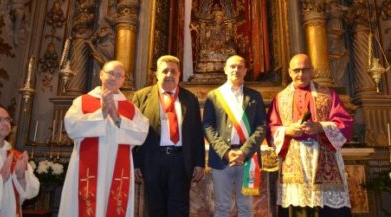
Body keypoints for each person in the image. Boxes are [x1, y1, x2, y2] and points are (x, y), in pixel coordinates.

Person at [58, 60, 149, 217]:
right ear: (101, 74)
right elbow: (72, 127)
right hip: (86, 166)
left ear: (123, 80)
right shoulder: (82, 101)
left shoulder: (130, 107)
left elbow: (141, 133)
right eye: (111, 73)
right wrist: (101, 113)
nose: (114, 78)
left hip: (119, 166)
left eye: (119, 75)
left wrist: (116, 117)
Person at [267, 53, 353, 217]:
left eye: (305, 70)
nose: (300, 74)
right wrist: (287, 131)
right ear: (289, 72)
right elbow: (271, 128)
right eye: (296, 70)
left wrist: (320, 127)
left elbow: (345, 124)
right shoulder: (280, 98)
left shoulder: (328, 95)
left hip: (324, 159)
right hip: (294, 161)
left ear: (312, 71)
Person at [132, 55, 205, 217]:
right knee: (155, 208)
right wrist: (135, 163)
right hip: (152, 160)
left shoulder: (190, 98)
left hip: (180, 161)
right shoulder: (141, 96)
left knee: (179, 209)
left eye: (173, 71)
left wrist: (199, 162)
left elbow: (196, 132)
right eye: (165, 71)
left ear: (179, 74)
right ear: (157, 74)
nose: (169, 74)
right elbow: (134, 132)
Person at [203, 55, 266, 217]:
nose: (236, 70)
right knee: (222, 207)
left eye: (240, 67)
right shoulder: (214, 96)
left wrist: (244, 152)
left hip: (248, 160)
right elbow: (208, 127)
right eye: (232, 66)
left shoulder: (255, 96)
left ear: (245, 71)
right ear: (225, 69)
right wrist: (226, 152)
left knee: (246, 207)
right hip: (221, 159)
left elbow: (261, 126)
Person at [0, 107, 40, 217]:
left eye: (7, 119)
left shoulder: (17, 157)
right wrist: (0, 179)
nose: (5, 123)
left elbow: (31, 193)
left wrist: (21, 177)